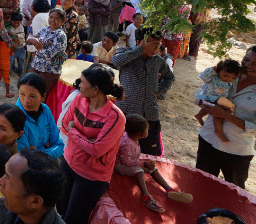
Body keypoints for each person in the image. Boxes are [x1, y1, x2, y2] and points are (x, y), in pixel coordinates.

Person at [58, 64, 125, 223]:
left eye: (82, 82)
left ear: (95, 89)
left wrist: (74, 131)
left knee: (73, 220)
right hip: (68, 163)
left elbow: (96, 150)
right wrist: (87, 141)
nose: (78, 85)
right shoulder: (79, 99)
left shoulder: (115, 117)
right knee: (61, 210)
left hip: (90, 177)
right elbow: (64, 125)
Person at [195, 45, 256, 189]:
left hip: (237, 151)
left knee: (233, 195)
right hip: (208, 140)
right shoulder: (229, 74)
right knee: (201, 187)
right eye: (246, 60)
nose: (248, 66)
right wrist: (203, 102)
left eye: (255, 64)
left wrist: (225, 116)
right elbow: (201, 94)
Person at [111, 27, 174, 156]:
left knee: (150, 153)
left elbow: (170, 77)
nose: (156, 48)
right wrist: (140, 49)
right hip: (126, 110)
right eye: (153, 44)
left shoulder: (158, 60)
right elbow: (116, 61)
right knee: (117, 149)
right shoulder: (126, 52)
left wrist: (160, 90)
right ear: (140, 41)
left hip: (150, 113)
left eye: (158, 44)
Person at [115, 114, 193, 213]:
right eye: (147, 129)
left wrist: (145, 164)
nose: (148, 130)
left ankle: (169, 190)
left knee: (153, 168)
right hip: (120, 165)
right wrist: (143, 165)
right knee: (139, 171)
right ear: (140, 134)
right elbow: (126, 162)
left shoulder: (131, 137)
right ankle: (146, 196)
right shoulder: (127, 143)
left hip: (131, 161)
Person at [0, 149, 66, 224]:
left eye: (8, 178)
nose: (0, 181)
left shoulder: (12, 206)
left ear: (35, 201)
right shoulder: (9, 208)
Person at [15, 73, 65, 159]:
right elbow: (26, 157)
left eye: (32, 96)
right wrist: (49, 151)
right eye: (22, 94)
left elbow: (60, 146)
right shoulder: (16, 116)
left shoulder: (45, 110)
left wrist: (39, 153)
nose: (26, 100)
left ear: (43, 97)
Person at [26, 8, 68, 95]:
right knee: (29, 89)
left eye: (57, 18)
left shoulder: (60, 35)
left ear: (63, 21)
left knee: (40, 94)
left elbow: (49, 55)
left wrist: (37, 46)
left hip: (50, 71)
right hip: (37, 65)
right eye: (51, 17)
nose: (53, 20)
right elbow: (30, 39)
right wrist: (32, 40)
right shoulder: (46, 29)